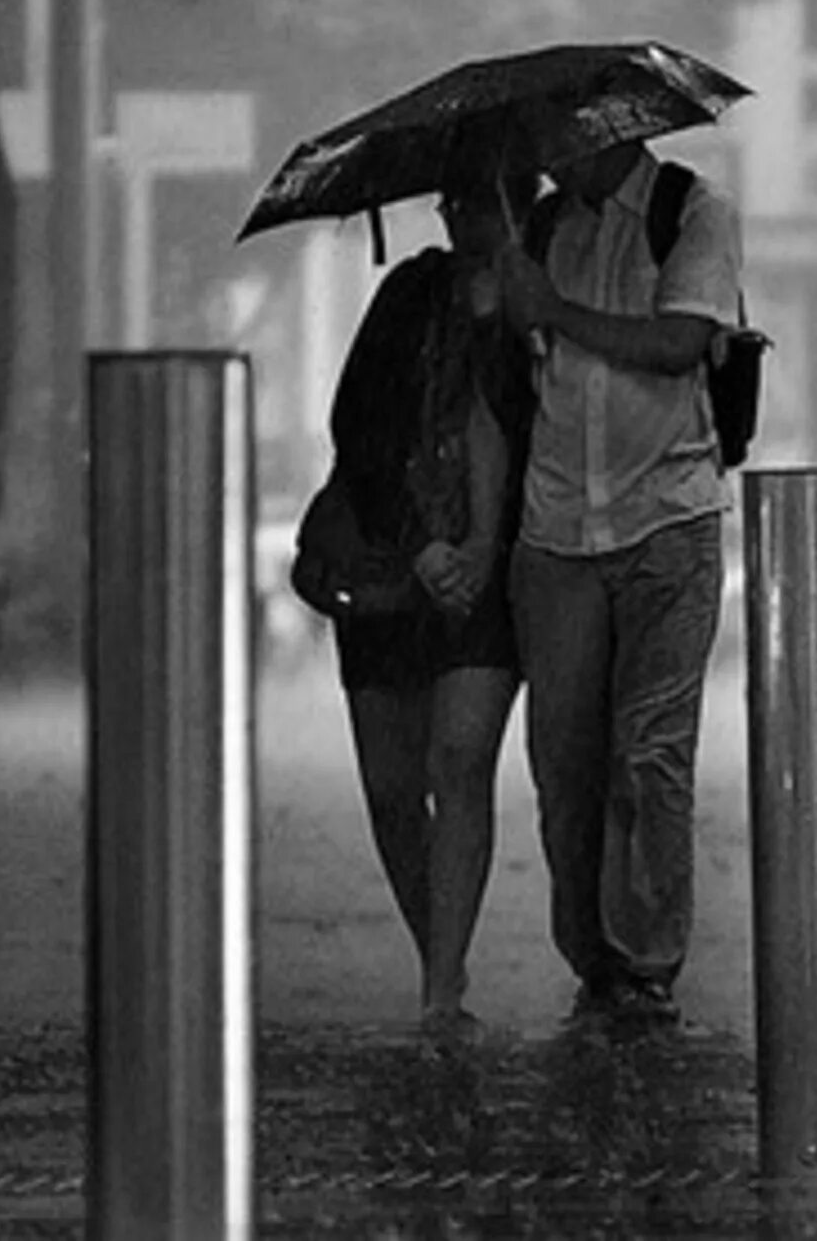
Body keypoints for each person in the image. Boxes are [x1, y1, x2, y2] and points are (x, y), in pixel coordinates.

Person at [494, 135, 743, 1028]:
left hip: (666, 518)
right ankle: (590, 950)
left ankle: (647, 961)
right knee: (564, 761)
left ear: (614, 130)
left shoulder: (693, 210)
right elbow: (525, 364)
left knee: (650, 752)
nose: (558, 159)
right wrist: (513, 291)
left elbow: (681, 341)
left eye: (570, 138)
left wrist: (555, 309)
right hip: (557, 529)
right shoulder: (548, 222)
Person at [290, 157, 536, 1038]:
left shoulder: (540, 302)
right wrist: (422, 541)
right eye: (455, 198)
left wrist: (480, 548)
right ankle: (442, 954)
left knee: (459, 760)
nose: (459, 211)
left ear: (519, 196)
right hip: (392, 571)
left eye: (480, 195)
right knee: (394, 792)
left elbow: (545, 433)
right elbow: (357, 423)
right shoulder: (409, 295)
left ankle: (441, 989)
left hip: (491, 578)